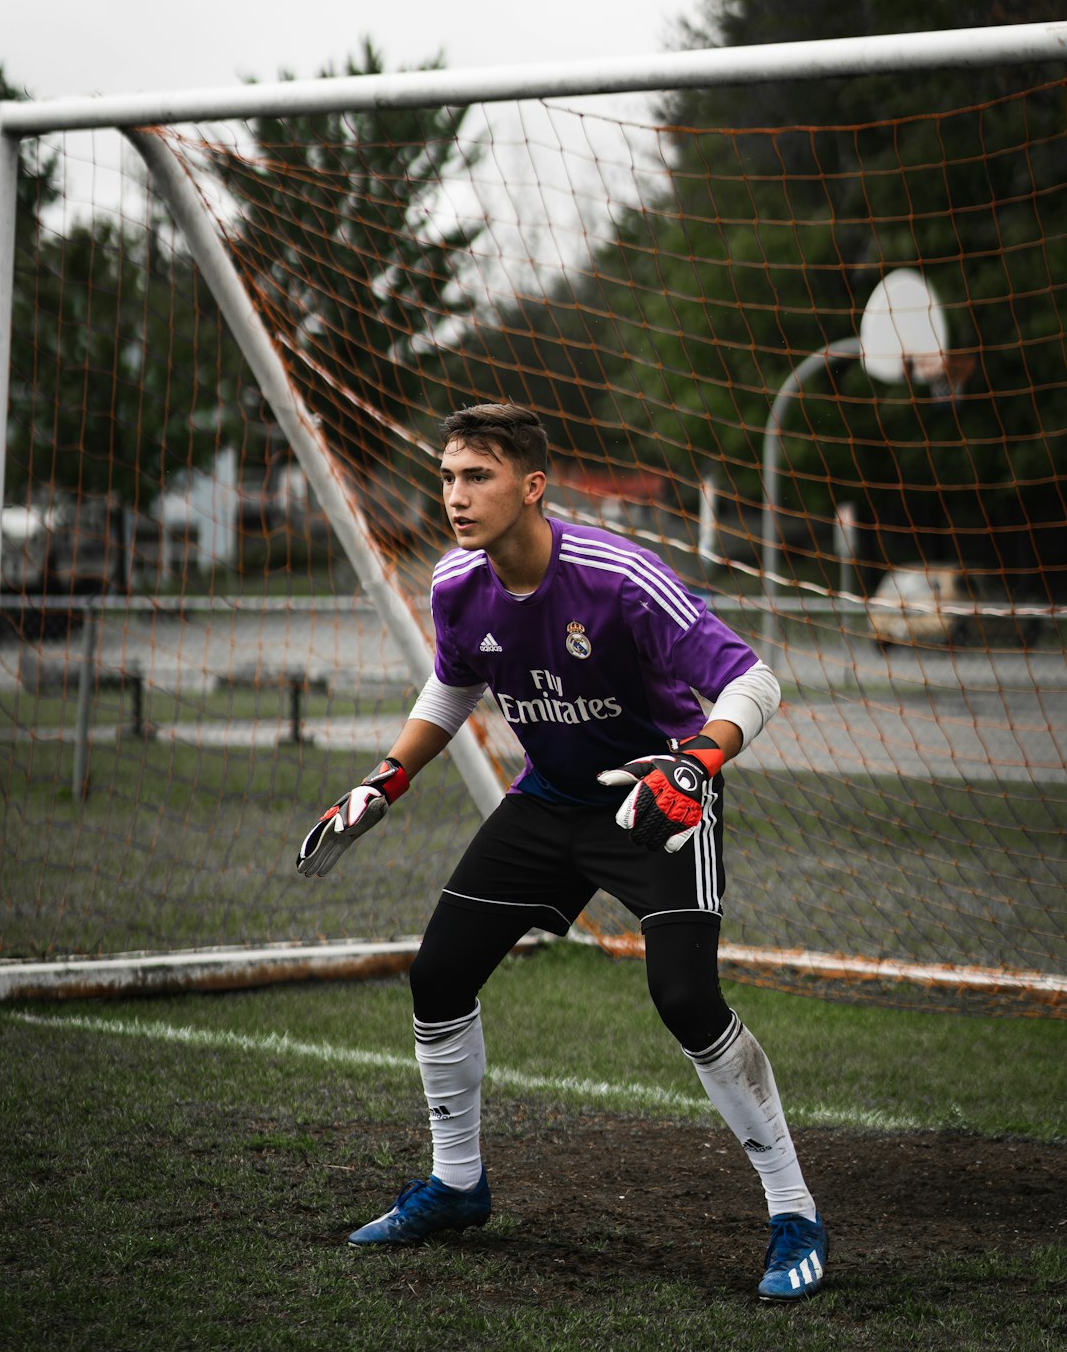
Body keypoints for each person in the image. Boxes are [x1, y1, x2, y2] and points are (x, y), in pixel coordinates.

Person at [297, 402, 827, 1302]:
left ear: (532, 486)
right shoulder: (457, 584)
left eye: (478, 477)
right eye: (448, 476)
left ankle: (796, 1216)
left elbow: (752, 677)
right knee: (439, 975)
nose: (455, 496)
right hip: (548, 801)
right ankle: (458, 1184)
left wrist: (697, 764)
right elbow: (454, 683)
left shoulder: (619, 575)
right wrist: (385, 778)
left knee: (686, 997)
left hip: (654, 799)